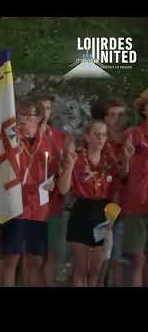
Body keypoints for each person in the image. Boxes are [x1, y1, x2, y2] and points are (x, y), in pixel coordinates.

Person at [58, 120, 127, 287]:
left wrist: (111, 220)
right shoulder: (78, 159)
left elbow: (116, 192)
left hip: (103, 213)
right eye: (97, 134)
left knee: (95, 270)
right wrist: (69, 166)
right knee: (81, 268)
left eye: (104, 135)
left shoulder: (109, 162)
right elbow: (62, 189)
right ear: (87, 137)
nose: (101, 138)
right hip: (81, 211)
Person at [0, 98, 57, 287]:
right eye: (20, 114)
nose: (23, 118)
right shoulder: (11, 138)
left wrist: (52, 183)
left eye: (28, 114)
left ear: (39, 118)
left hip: (38, 210)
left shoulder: (47, 142)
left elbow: (54, 173)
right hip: (15, 207)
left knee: (35, 261)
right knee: (10, 259)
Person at [36, 95, 66, 287]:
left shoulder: (58, 137)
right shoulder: (24, 135)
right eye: (40, 108)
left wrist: (58, 177)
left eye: (48, 108)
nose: (44, 112)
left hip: (53, 205)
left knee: (52, 254)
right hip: (30, 205)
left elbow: (61, 168)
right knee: (33, 257)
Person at [101, 100, 129, 287]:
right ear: (105, 118)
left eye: (121, 115)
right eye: (112, 115)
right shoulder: (99, 141)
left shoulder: (134, 141)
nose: (117, 119)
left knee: (119, 259)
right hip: (101, 205)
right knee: (99, 261)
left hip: (126, 208)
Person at [121, 92, 148, 287]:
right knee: (137, 260)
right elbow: (123, 172)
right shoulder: (133, 133)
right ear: (144, 109)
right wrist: (128, 158)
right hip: (137, 202)